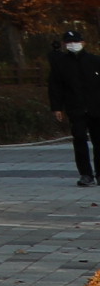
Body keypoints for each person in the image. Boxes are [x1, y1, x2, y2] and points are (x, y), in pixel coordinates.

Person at [50, 24, 100, 187]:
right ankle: (86, 174)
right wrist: (56, 107)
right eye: (69, 42)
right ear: (64, 44)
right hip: (75, 108)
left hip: (96, 108)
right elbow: (55, 86)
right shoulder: (61, 63)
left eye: (75, 41)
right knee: (79, 139)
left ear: (83, 43)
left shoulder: (95, 61)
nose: (72, 44)